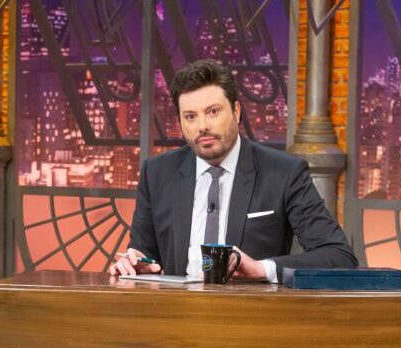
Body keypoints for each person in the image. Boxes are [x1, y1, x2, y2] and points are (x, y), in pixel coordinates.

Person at [109, 59, 357, 280]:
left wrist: (262, 269)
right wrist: (135, 264)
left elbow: (339, 256)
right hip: (177, 314)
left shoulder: (283, 173)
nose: (202, 126)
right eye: (190, 116)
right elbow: (144, 255)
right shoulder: (157, 173)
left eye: (213, 112)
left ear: (236, 112)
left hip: (250, 313)